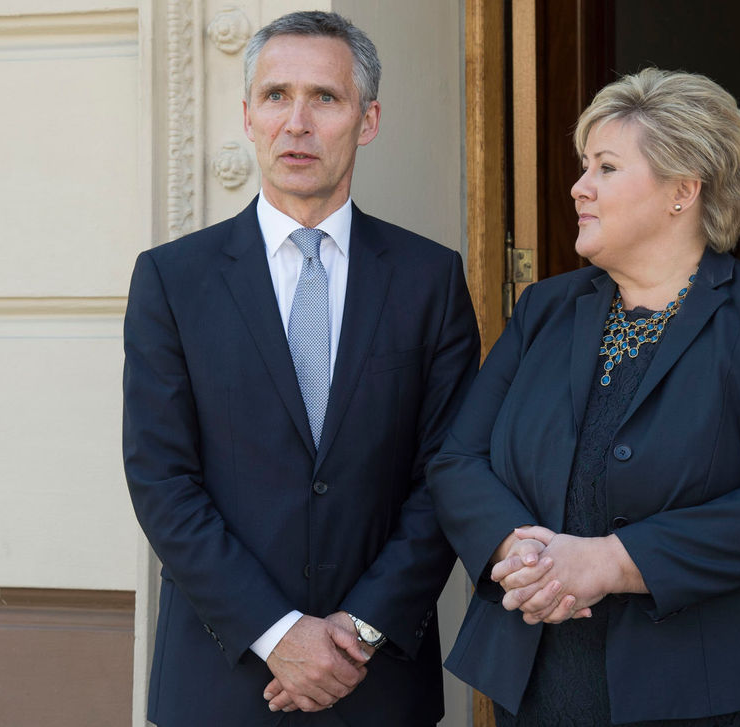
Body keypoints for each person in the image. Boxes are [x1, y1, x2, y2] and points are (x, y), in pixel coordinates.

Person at [429, 68, 740, 726]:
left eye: (605, 167)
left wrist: (610, 562)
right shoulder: (546, 308)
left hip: (729, 695)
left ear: (683, 190)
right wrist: (516, 550)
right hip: (547, 689)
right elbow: (458, 458)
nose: (579, 186)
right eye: (583, 165)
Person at [123, 11, 479, 726]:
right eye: (277, 96)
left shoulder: (429, 279)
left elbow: (448, 473)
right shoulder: (173, 279)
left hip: (377, 682)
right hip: (222, 683)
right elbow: (163, 479)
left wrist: (358, 631)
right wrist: (278, 632)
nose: (297, 122)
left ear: (367, 119)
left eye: (325, 97)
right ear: (248, 116)